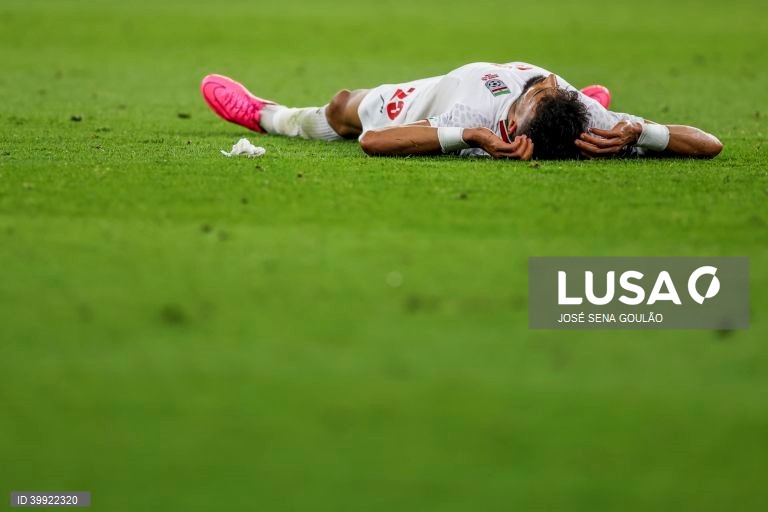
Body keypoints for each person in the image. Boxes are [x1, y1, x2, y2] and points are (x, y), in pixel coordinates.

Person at [200, 61, 723, 160]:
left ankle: (265, 115)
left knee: (343, 112)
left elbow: (709, 144)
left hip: (444, 102)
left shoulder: (588, 118)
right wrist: (639, 131)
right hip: (448, 91)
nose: (541, 82)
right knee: (340, 106)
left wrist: (639, 132)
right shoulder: (477, 103)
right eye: (550, 90)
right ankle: (269, 113)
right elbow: (370, 141)